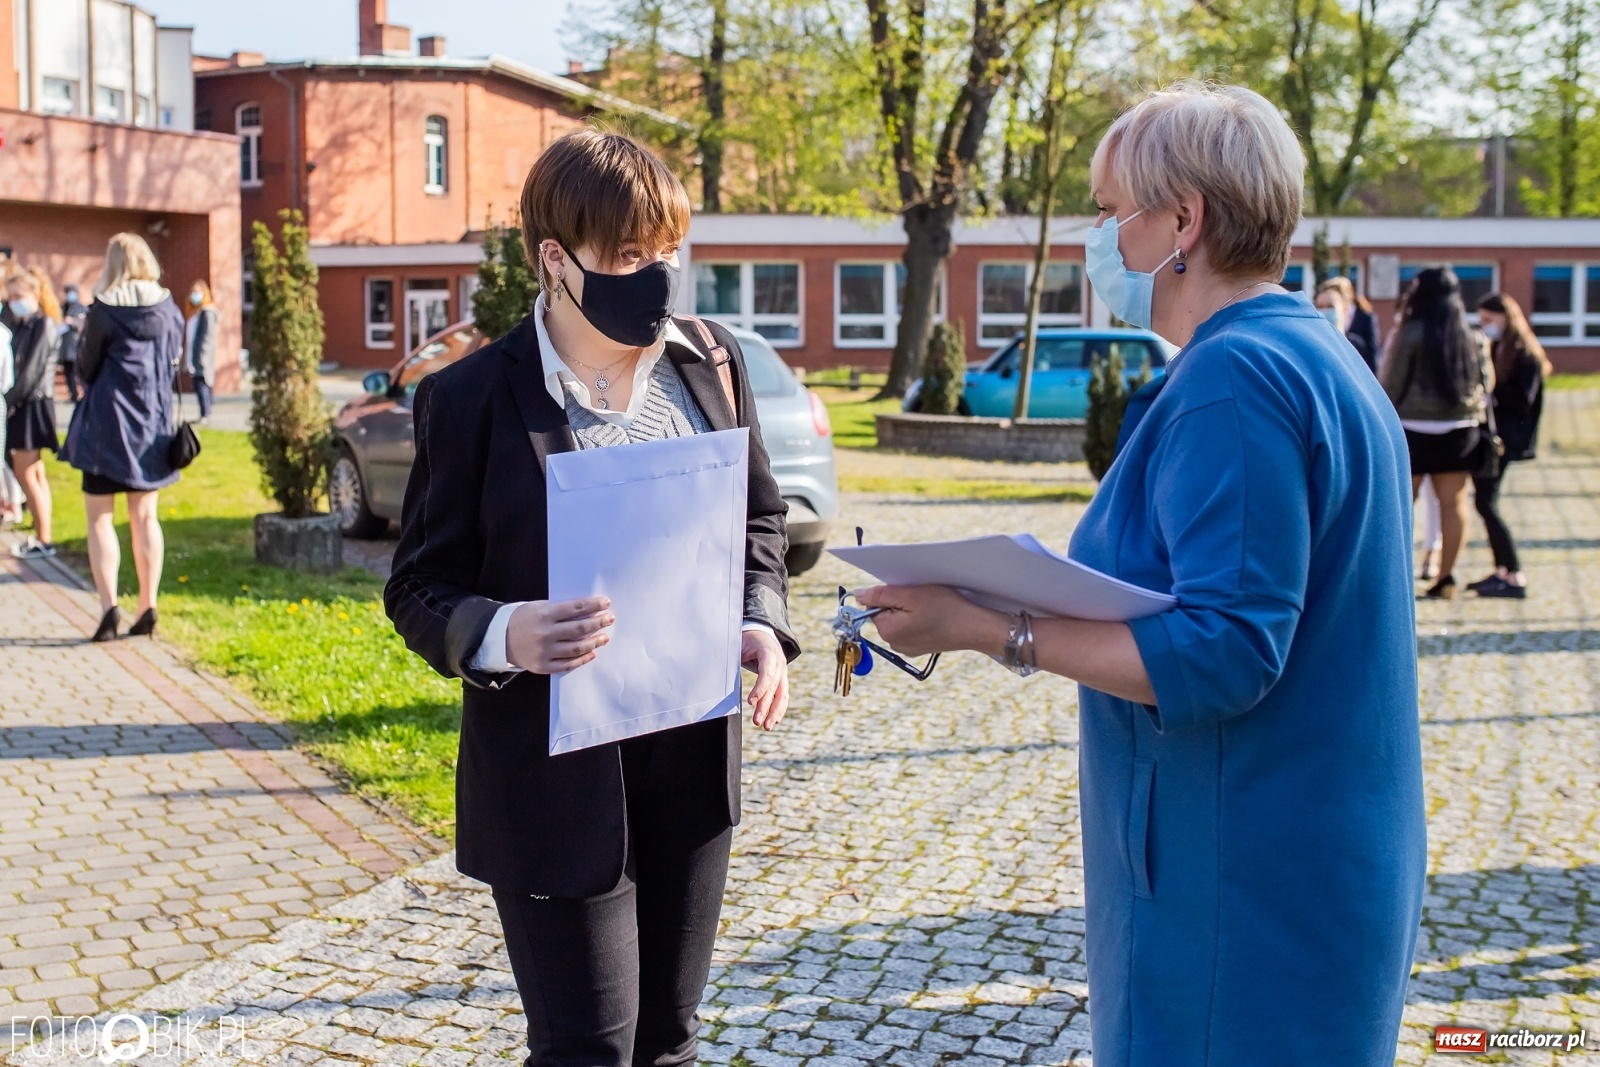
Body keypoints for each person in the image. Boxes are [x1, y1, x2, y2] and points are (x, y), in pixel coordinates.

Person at [857, 83, 1424, 1067]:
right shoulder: (1309, 352)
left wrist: (985, 627)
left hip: (1239, 874)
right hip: (1294, 846)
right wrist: (1000, 594)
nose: (1097, 234)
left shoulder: (1233, 377)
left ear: (1181, 221)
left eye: (1107, 207)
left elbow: (1224, 650)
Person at [384, 130, 797, 1067]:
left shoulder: (713, 363)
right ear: (555, 262)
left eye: (664, 253)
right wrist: (502, 632)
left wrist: (762, 622)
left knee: (670, 1042)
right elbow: (416, 585)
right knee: (586, 1049)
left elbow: (760, 525)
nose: (653, 277)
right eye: (626, 257)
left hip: (690, 761)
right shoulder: (471, 399)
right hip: (551, 782)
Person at [60, 233, 185, 642]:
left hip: (105, 428)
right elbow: (173, 361)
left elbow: (86, 366)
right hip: (152, 426)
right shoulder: (169, 308)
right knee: (146, 517)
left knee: (100, 518)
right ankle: (147, 605)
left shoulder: (103, 309)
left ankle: (109, 607)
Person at [1378, 266, 1494, 599]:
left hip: (1412, 430)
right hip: (1459, 430)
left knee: (1401, 503)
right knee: (1453, 503)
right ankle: (1446, 577)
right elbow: (1487, 384)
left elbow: (1392, 383)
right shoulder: (1472, 336)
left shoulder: (1410, 332)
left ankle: (1395, 576)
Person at [1467, 292, 1550, 598]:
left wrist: (1493, 386)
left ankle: (1513, 573)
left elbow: (1521, 401)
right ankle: (1503, 569)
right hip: (1495, 436)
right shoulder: (1501, 348)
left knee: (1486, 502)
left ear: (1506, 318)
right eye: (1482, 320)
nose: (1485, 326)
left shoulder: (1524, 354)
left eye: (1489, 320)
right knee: (1484, 501)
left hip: (1509, 438)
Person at [5, 267, 62, 559]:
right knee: (34, 473)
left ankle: (44, 539)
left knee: (26, 472)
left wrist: (7, 401)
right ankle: (43, 534)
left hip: (32, 405)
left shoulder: (43, 325)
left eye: (18, 295)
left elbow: (28, 374)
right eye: (9, 295)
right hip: (26, 403)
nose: (12, 301)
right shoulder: (24, 324)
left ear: (35, 294)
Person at [1317, 274, 1381, 370]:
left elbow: (1371, 358)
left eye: (1330, 306)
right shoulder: (1313, 341)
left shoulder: (1357, 343)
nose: (1325, 311)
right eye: (1320, 306)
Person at [183, 279, 218, 422]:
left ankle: (206, 413)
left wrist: (202, 356)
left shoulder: (207, 312)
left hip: (202, 355)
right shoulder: (195, 313)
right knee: (199, 384)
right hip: (194, 353)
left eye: (198, 292)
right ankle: (205, 412)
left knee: (202, 383)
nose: (195, 295)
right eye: (193, 292)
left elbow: (206, 337)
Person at [60, 283, 88, 403]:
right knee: (68, 372)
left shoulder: (81, 308)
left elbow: (84, 324)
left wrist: (72, 322)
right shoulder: (62, 308)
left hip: (76, 345)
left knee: (78, 372)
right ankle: (73, 394)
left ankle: (83, 393)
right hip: (64, 346)